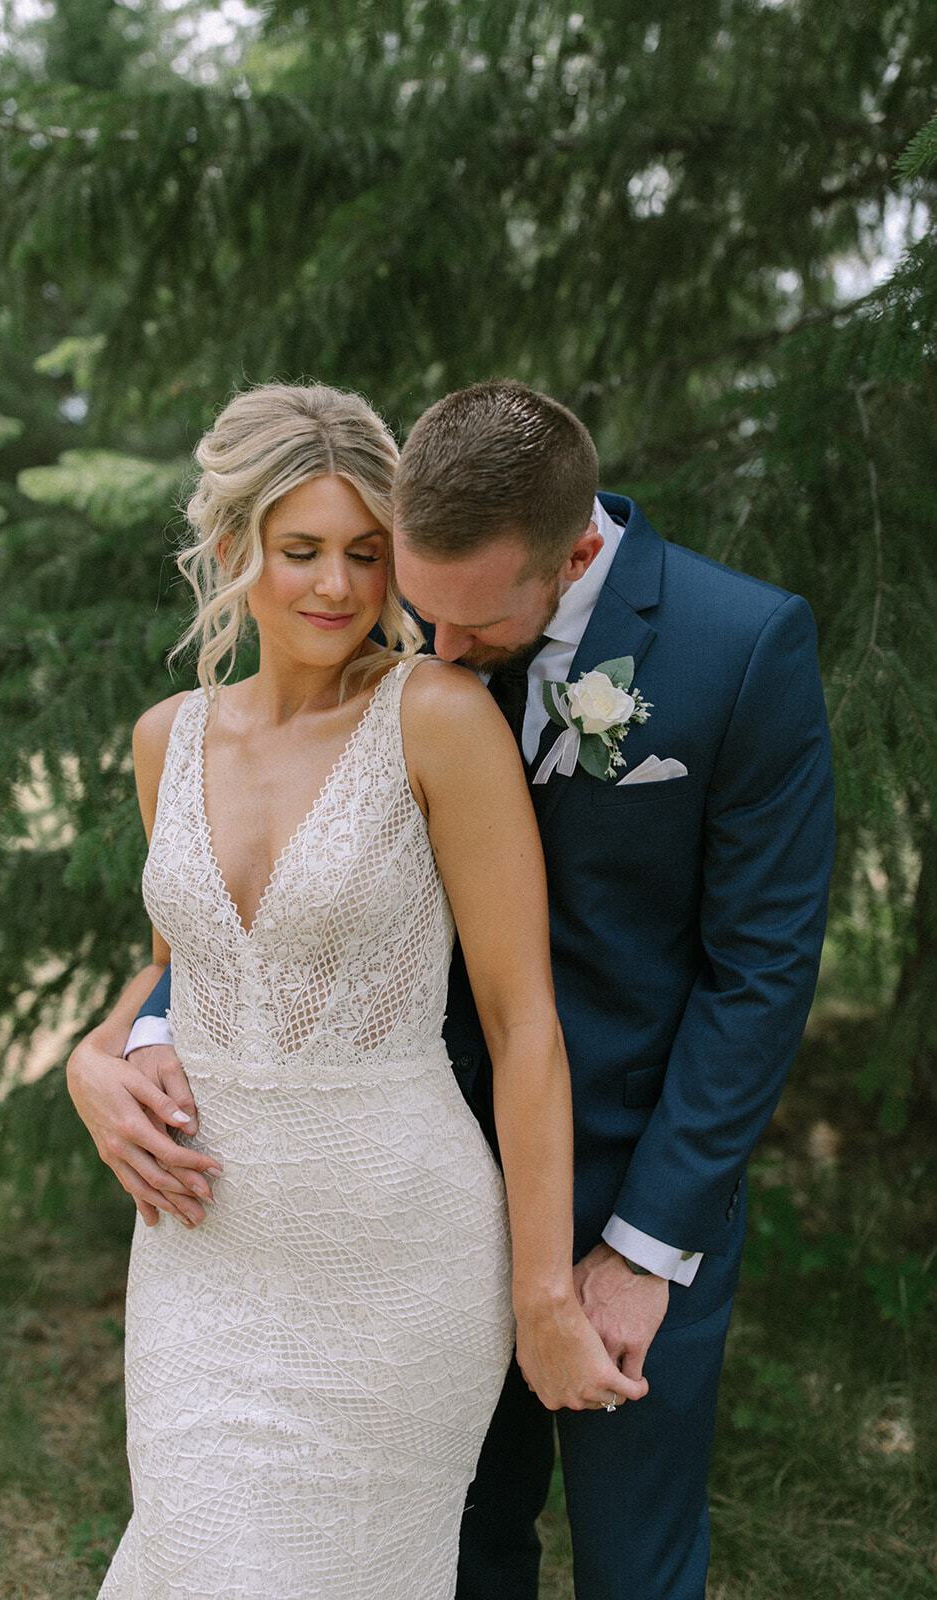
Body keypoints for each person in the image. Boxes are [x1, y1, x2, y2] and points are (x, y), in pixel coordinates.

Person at [71, 379, 835, 1600]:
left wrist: (624, 1255)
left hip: (586, 1190)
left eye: (363, 559)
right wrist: (98, 1053)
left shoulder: (717, 651)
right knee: (418, 1562)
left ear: (573, 552)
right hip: (271, 1231)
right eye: (312, 554)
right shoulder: (193, 728)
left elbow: (753, 973)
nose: (426, 640)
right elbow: (197, 950)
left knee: (630, 1567)